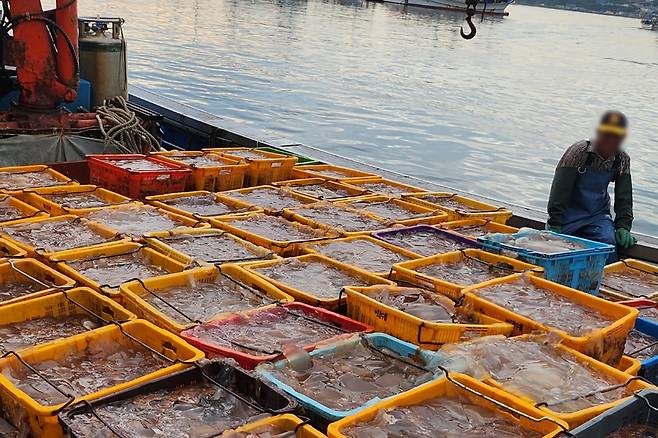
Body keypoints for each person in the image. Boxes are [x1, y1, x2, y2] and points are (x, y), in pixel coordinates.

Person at [547, 111, 636, 260]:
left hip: (597, 215)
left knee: (608, 244)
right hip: (568, 214)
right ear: (599, 132)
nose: (610, 140)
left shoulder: (621, 159)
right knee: (556, 249)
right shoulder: (578, 152)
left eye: (615, 136)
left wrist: (623, 226)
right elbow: (559, 189)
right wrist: (555, 222)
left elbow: (624, 197)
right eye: (606, 134)